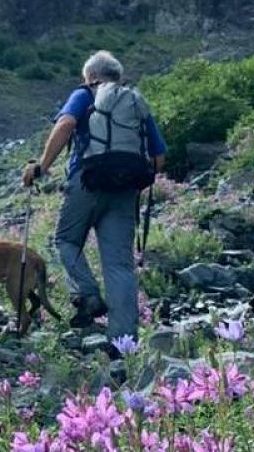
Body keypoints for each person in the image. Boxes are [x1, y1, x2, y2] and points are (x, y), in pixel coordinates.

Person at [21, 50, 165, 345]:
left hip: (87, 181)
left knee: (65, 240)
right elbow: (159, 157)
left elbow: (65, 126)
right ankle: (123, 342)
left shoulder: (86, 93)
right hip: (125, 191)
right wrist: (128, 178)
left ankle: (87, 294)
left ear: (92, 76)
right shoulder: (135, 101)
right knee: (119, 265)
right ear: (118, 77)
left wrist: (41, 167)